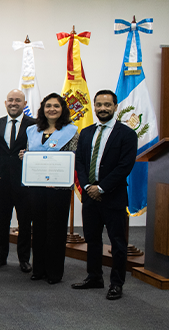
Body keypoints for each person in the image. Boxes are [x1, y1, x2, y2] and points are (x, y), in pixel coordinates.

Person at [72, 90, 137, 300]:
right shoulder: (87, 132)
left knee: (117, 242)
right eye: (99, 105)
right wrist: (88, 186)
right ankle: (94, 277)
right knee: (92, 239)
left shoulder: (127, 134)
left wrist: (101, 188)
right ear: (94, 106)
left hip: (113, 196)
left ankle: (116, 283)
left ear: (115, 107)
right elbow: (80, 162)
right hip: (90, 195)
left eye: (107, 105)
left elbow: (124, 166)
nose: (102, 109)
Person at [21, 92, 78, 284]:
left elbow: (74, 158)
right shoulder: (32, 131)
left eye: (56, 106)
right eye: (48, 106)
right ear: (42, 109)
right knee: (38, 229)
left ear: (62, 109)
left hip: (59, 189)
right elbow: (31, 155)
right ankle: (38, 269)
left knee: (56, 229)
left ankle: (54, 272)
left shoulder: (71, 131)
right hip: (36, 188)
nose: (51, 109)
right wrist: (25, 156)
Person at [0, 89, 35, 272]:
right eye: (10, 100)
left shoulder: (34, 125)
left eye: (18, 100)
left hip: (25, 184)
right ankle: (0, 257)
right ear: (5, 102)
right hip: (1, 183)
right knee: (1, 222)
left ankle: (24, 259)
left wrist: (30, 155)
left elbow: (38, 149)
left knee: (25, 224)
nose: (13, 103)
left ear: (24, 104)